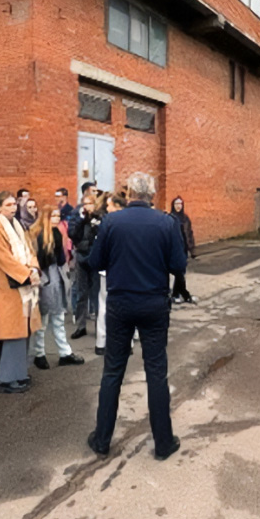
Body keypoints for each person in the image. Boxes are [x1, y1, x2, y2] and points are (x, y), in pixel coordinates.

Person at [87, 173, 186, 461]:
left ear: (129, 193)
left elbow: (95, 262)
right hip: (154, 303)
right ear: (151, 194)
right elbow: (178, 264)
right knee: (156, 372)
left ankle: (102, 439)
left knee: (113, 371)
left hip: (120, 303)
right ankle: (164, 442)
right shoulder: (166, 222)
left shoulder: (111, 222)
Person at [0, 191, 41, 392]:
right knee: (13, 332)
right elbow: (1, 256)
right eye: (8, 205)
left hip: (23, 284)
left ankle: (19, 374)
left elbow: (29, 249)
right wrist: (26, 273)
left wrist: (33, 267)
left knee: (23, 331)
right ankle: (7, 378)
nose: (13, 208)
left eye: (14, 204)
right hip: (7, 284)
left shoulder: (17, 224)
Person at [28, 205, 85, 370]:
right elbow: (50, 259)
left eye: (58, 216)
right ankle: (41, 354)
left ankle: (61, 353)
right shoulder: (40, 234)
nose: (56, 219)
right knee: (45, 319)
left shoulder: (51, 233)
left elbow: (60, 259)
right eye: (53, 216)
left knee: (56, 317)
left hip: (53, 277)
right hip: (46, 277)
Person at [94, 192, 126, 357]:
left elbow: (100, 248)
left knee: (105, 305)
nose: (106, 208)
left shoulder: (108, 223)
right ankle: (116, 341)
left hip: (109, 269)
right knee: (117, 305)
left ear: (117, 206)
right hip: (120, 270)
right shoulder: (127, 223)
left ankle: (102, 341)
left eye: (109, 205)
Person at [69, 193, 100, 340]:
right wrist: (82, 220)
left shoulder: (100, 217)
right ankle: (81, 326)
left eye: (90, 203)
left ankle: (99, 326)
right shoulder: (78, 218)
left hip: (95, 258)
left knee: (96, 295)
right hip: (81, 257)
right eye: (85, 203)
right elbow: (72, 234)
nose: (87, 207)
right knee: (82, 293)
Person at [169, 196, 198, 304]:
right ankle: (184, 295)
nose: (178, 206)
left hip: (184, 248)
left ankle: (177, 294)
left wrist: (193, 250)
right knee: (179, 272)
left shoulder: (185, 218)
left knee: (180, 273)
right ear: (173, 205)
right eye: (176, 204)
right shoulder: (170, 218)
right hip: (175, 248)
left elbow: (189, 234)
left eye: (180, 204)